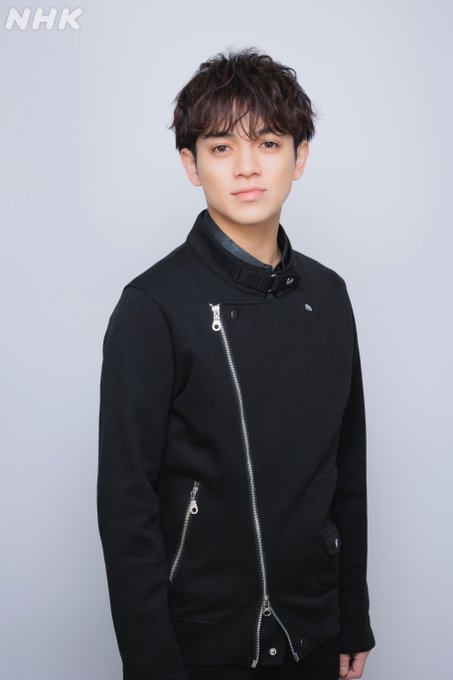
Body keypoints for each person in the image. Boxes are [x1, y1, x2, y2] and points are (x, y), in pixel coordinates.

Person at [97, 47, 376, 680]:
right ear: (190, 165)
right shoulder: (153, 306)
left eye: (268, 143)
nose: (247, 167)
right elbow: (125, 503)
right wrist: (151, 665)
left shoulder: (328, 294)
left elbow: (347, 468)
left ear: (299, 158)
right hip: (202, 644)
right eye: (221, 147)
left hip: (315, 630)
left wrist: (352, 615)